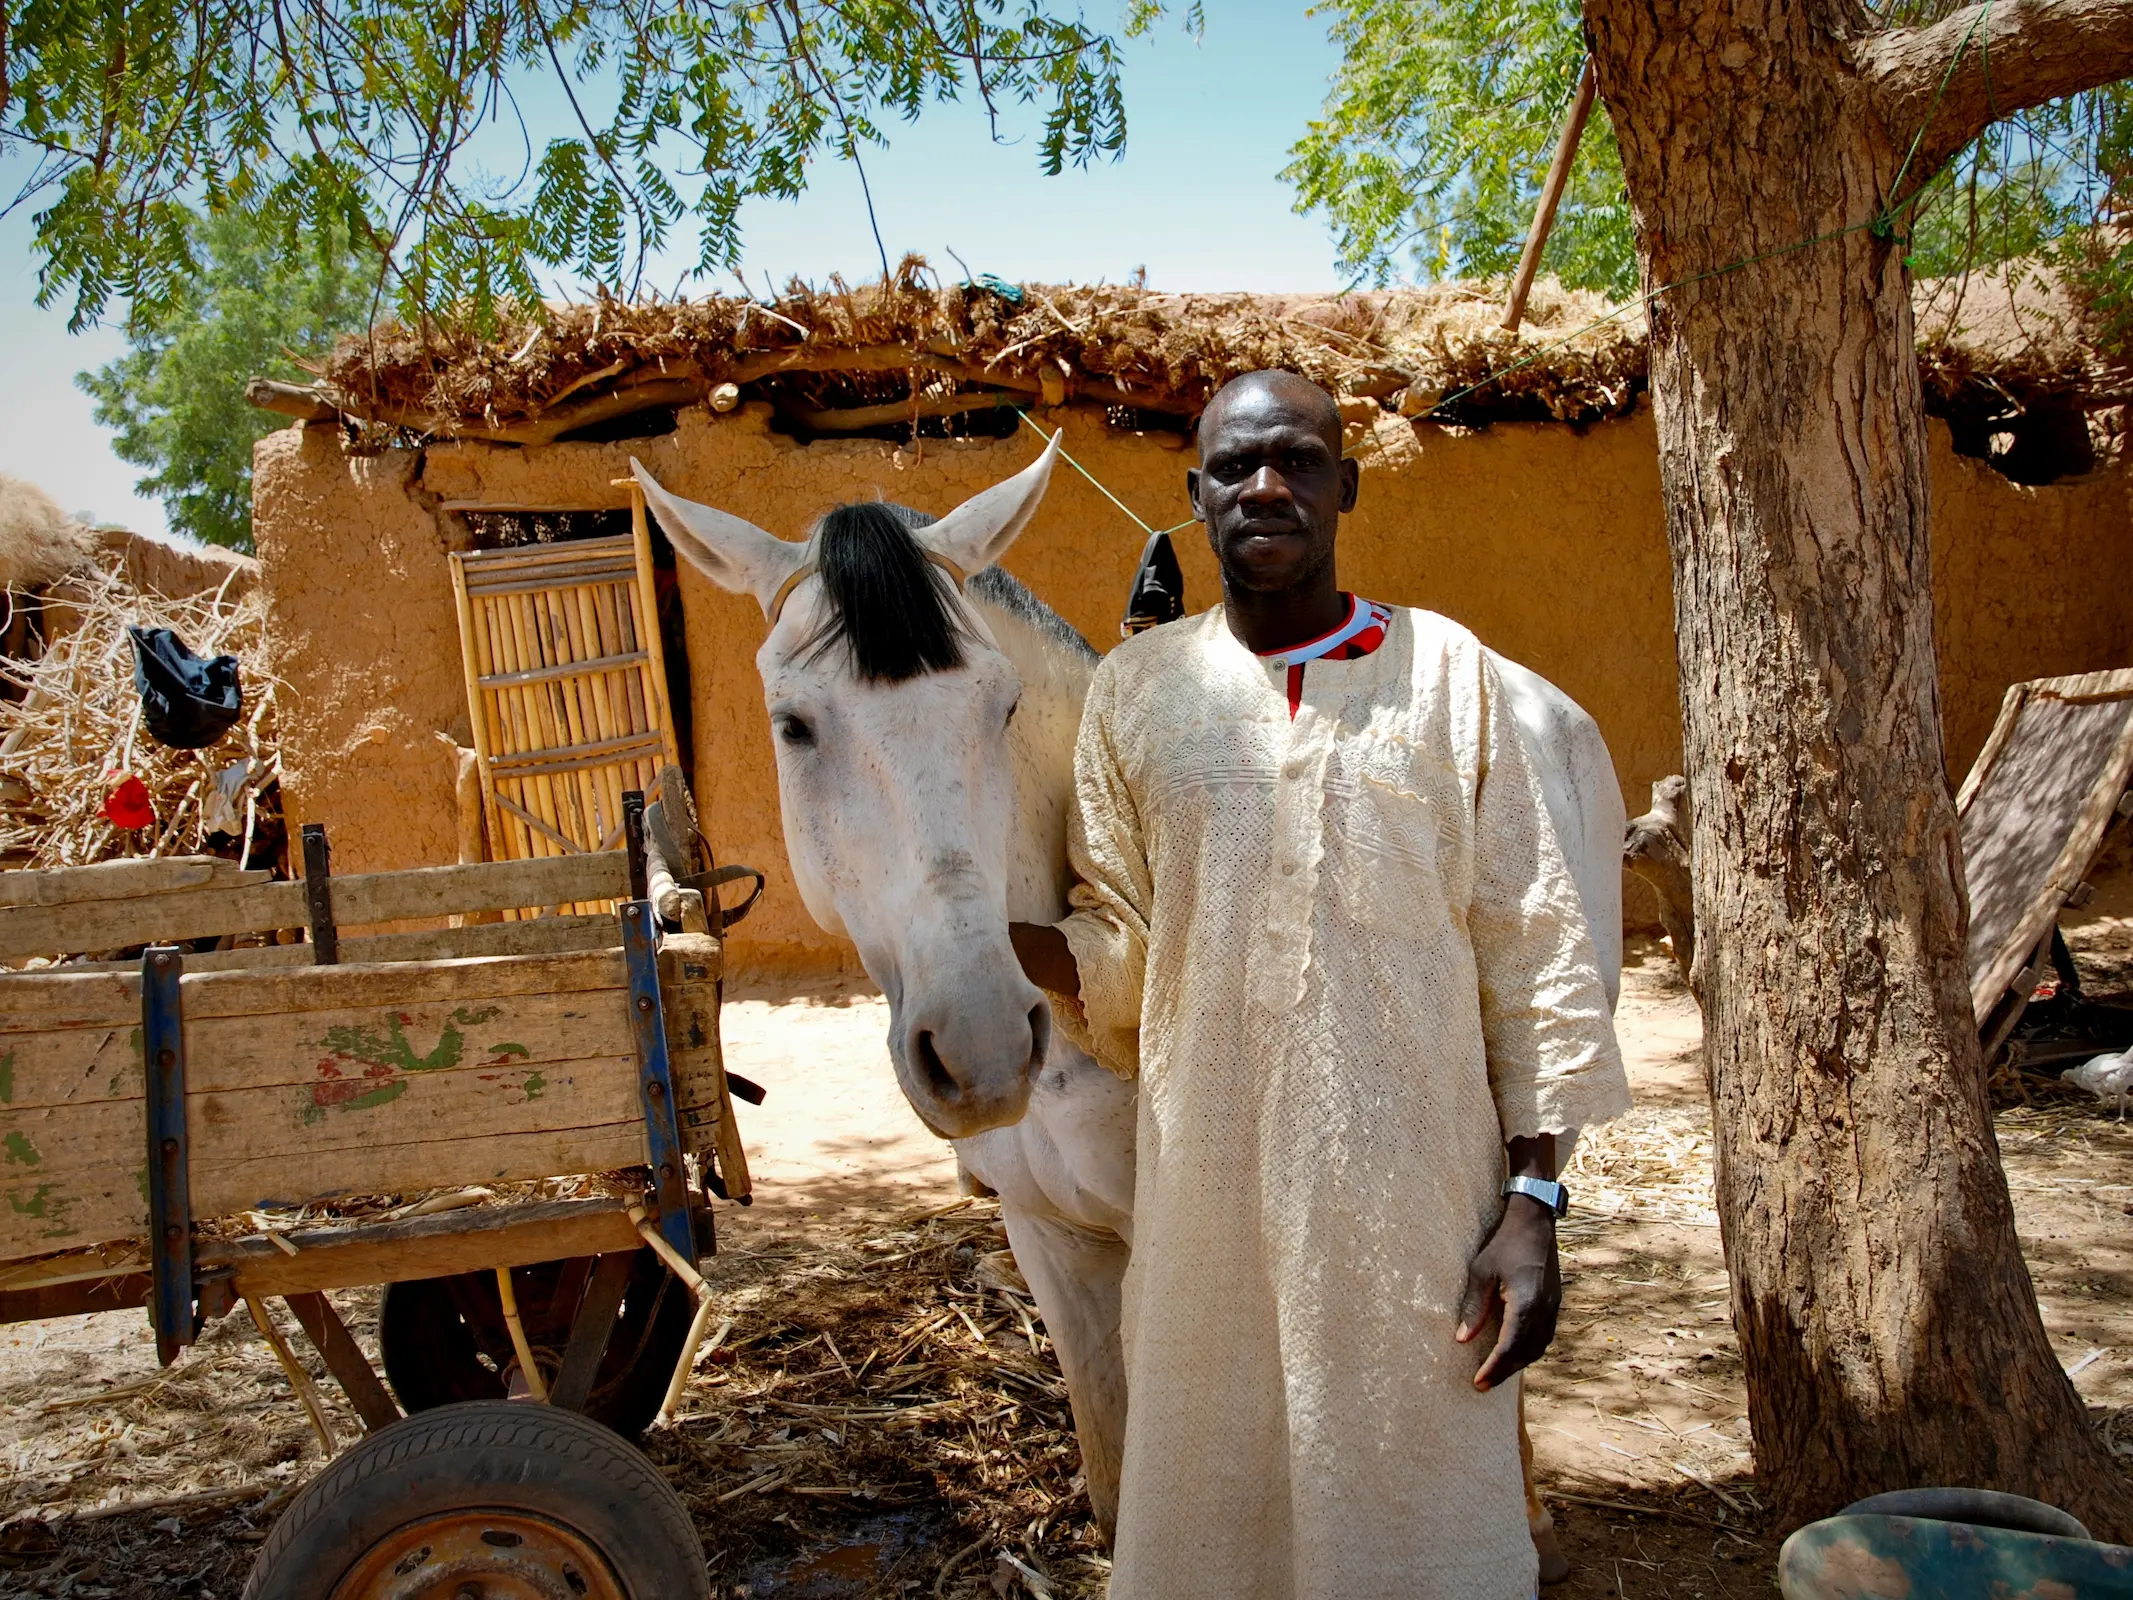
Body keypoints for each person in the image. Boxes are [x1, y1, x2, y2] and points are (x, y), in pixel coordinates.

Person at [1009, 370, 1631, 1600]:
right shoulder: (1140, 695)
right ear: (1196, 497)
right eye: (1235, 467)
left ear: (1346, 484)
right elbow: (1126, 951)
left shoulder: (1451, 676)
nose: (1266, 486)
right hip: (1207, 1217)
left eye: (1297, 459)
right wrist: (995, 943)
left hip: (1418, 1210)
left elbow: (1534, 950)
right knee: (1211, 1519)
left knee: (1413, 1515)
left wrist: (1533, 1204)